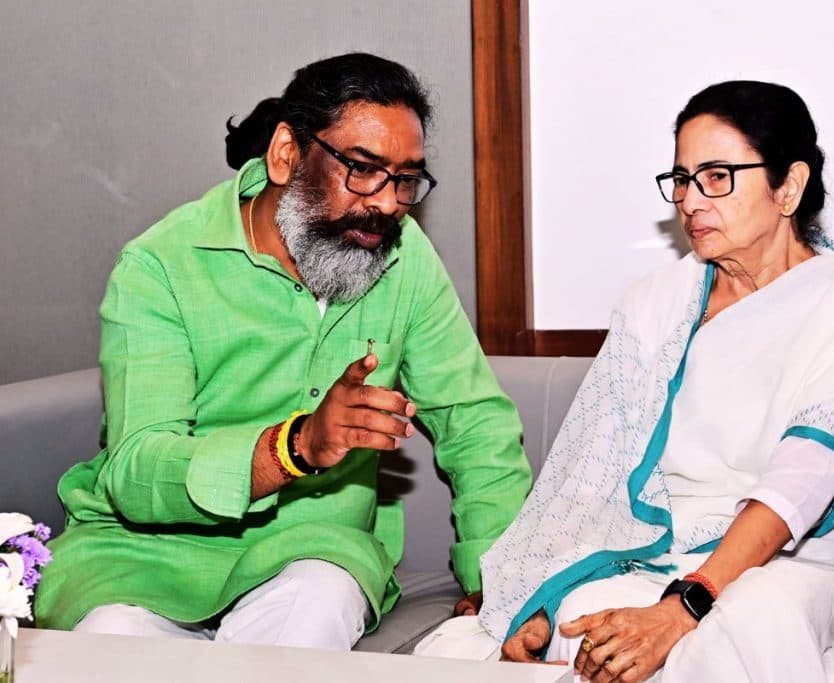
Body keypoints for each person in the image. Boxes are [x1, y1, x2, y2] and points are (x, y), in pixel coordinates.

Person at [414, 81, 834, 682]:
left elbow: (796, 491)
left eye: (717, 177)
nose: (690, 201)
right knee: (584, 624)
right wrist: (540, 605)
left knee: (751, 620)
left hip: (813, 561)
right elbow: (589, 479)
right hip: (658, 553)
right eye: (682, 179)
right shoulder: (655, 305)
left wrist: (685, 607)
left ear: (788, 186)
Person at [34, 53, 531, 650]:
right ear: (286, 154)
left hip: (310, 549)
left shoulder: (402, 256)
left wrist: (504, 585)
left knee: (317, 605)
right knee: (112, 641)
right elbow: (137, 471)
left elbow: (475, 425)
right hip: (143, 555)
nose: (387, 203)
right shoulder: (160, 266)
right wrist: (295, 447)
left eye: (405, 179)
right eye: (362, 169)